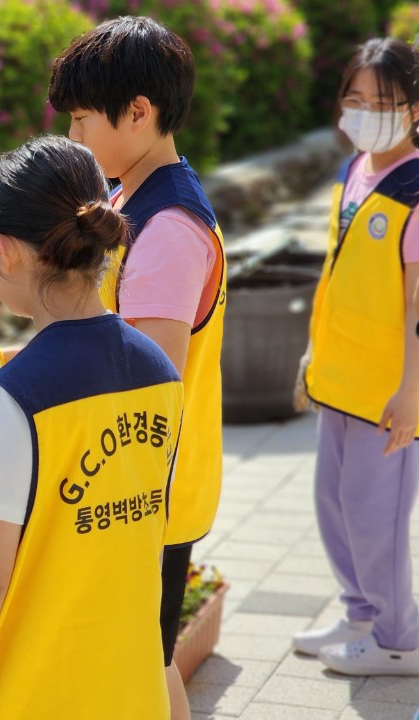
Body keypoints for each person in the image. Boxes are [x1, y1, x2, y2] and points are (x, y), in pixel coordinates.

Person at [0, 18, 226, 716]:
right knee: (146, 656)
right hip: (129, 470)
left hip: (142, 478)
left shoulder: (167, 229)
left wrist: (16, 382)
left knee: (148, 656)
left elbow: (137, 371)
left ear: (139, 112)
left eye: (80, 119)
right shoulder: (134, 197)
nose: (72, 136)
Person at [0, 135, 183, 719]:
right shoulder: (159, 371)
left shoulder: (13, 401)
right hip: (130, 694)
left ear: (2, 251)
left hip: (29, 698)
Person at [293, 37, 419, 675]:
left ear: (415, 109)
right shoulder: (355, 170)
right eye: (356, 99)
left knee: (376, 520)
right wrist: (311, 355)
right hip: (339, 379)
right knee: (335, 506)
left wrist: (412, 393)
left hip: (387, 393)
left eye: (384, 102)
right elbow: (338, 274)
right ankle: (361, 615)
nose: (366, 113)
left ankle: (399, 639)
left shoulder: (416, 190)